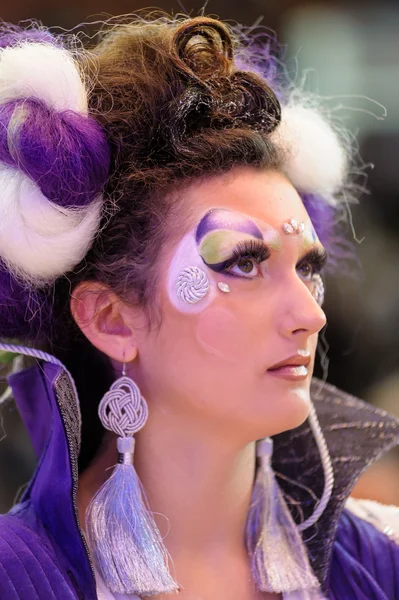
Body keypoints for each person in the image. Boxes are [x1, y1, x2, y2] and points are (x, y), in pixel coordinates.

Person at [0, 13, 398, 600]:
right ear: (110, 320)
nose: (310, 315)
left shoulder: (380, 563)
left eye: (306, 267)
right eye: (243, 262)